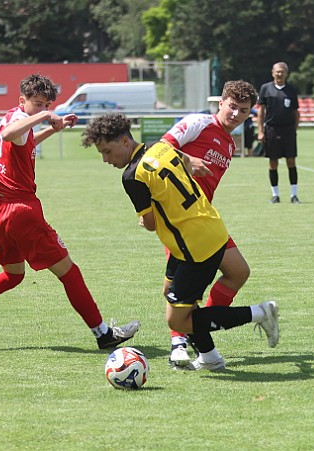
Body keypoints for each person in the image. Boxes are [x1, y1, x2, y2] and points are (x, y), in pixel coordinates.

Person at [0, 74, 139, 350]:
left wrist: (52, 127)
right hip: (21, 211)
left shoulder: (16, 118)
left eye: (46, 103)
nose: (42, 108)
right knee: (69, 272)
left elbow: (23, 139)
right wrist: (46, 116)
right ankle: (103, 334)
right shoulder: (16, 121)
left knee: (13, 275)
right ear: (22, 101)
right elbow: (13, 133)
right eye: (37, 103)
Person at [82, 112, 279, 371]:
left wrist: (146, 219)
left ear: (125, 142)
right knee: (170, 292)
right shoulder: (161, 147)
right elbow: (186, 162)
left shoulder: (132, 176)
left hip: (194, 247)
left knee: (178, 320)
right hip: (209, 226)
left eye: (107, 151)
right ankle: (209, 357)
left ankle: (261, 313)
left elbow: (151, 224)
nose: (106, 159)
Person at [159, 80, 258, 368]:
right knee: (179, 285)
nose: (236, 114)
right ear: (221, 103)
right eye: (232, 107)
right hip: (180, 217)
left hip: (205, 219)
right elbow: (160, 149)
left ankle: (196, 327)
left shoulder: (230, 143)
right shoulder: (199, 122)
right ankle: (180, 340)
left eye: (243, 111)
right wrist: (189, 159)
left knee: (238, 272)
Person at [257, 62, 300, 204]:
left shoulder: (291, 90)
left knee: (291, 161)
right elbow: (261, 112)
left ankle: (294, 195)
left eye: (282, 72)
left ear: (287, 73)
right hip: (271, 130)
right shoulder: (265, 88)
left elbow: (295, 112)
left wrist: (294, 129)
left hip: (288, 130)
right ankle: (275, 195)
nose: (279, 74)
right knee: (273, 162)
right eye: (277, 71)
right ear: (272, 72)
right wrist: (261, 131)